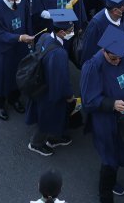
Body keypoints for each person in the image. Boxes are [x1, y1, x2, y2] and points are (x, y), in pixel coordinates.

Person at [82, 26, 124, 203]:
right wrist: (111, 104)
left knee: (121, 152)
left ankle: (112, 179)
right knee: (109, 158)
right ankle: (105, 193)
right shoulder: (94, 66)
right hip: (106, 121)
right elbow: (89, 100)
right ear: (104, 51)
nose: (117, 61)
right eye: (113, 58)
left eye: (119, 57)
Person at [26, 9, 76, 156]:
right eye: (70, 29)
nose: (72, 31)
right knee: (48, 118)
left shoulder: (45, 37)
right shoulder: (59, 53)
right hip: (50, 92)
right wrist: (68, 95)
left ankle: (55, 138)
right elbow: (61, 79)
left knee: (49, 116)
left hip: (40, 85)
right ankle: (36, 143)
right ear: (61, 32)